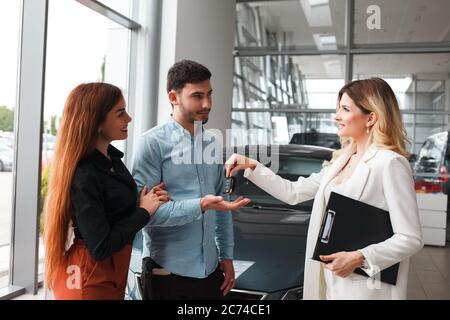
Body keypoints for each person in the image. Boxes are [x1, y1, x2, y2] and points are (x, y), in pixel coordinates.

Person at [225, 78, 424, 300]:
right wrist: (253, 165)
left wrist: (359, 257)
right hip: (330, 282)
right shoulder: (340, 161)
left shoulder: (390, 163)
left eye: (345, 109)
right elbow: (293, 192)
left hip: (365, 287)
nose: (336, 116)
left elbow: (410, 238)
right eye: (338, 108)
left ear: (371, 117)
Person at [132, 60, 250, 300]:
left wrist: (226, 255)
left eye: (209, 95)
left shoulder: (212, 143)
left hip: (210, 271)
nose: (207, 104)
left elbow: (222, 206)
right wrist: (200, 205)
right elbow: (147, 215)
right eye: (197, 96)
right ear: (173, 97)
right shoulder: (152, 144)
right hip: (167, 272)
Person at [44, 83, 169, 300]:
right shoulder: (84, 174)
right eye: (120, 113)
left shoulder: (112, 159)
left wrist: (142, 201)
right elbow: (101, 246)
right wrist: (143, 212)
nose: (128, 119)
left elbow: (112, 207)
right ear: (96, 121)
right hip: (90, 278)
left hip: (108, 273)